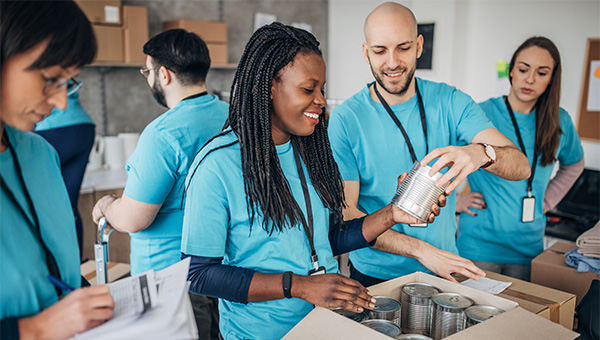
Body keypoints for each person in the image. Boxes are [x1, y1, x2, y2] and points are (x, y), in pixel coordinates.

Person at [181, 22, 444, 340]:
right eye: (309, 89)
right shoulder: (217, 166)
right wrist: (299, 285)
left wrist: (392, 213)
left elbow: (326, 239)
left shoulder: (311, 152)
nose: (320, 100)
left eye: (322, 89)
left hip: (324, 327)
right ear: (269, 87)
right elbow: (199, 275)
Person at [327, 2, 531, 287]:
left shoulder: (451, 101)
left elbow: (521, 166)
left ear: (419, 46)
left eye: (404, 47)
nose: (392, 62)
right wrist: (422, 251)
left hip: (443, 271)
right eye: (380, 50)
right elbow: (347, 215)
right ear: (366, 53)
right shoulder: (345, 120)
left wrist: (481, 153)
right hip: (374, 275)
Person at [91, 29, 228, 339]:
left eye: (147, 70)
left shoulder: (163, 134)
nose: (148, 77)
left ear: (163, 74)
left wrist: (106, 205)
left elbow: (133, 218)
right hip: (224, 269)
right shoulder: (233, 117)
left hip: (170, 279)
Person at [0, 1, 114, 339]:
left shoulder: (41, 155)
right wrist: (34, 330)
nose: (62, 103)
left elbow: (52, 267)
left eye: (69, 82)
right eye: (51, 79)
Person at [456, 37, 585, 281]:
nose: (530, 79)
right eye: (524, 69)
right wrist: (456, 202)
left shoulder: (559, 121)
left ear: (551, 79)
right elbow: (445, 158)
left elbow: (575, 164)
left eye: (541, 72)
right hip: (478, 246)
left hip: (529, 250)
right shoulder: (481, 113)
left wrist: (546, 201)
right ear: (512, 70)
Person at [35, 84, 95, 253]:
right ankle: (76, 266)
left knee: (41, 208)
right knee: (69, 205)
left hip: (51, 128)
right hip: (83, 126)